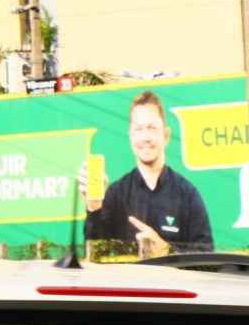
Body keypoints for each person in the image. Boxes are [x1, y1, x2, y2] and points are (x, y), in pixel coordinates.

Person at [82, 91, 213, 256]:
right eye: (139, 129)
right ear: (130, 137)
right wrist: (94, 207)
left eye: (152, 128)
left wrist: (167, 251)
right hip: (128, 282)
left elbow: (208, 258)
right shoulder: (116, 195)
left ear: (165, 135)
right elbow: (94, 254)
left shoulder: (187, 194)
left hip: (175, 282)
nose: (145, 137)